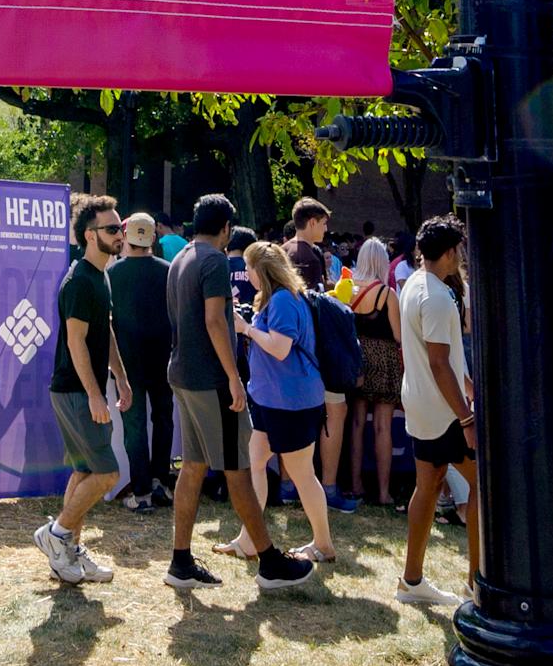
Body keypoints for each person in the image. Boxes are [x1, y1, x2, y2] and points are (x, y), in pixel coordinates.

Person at [162, 195, 312, 593]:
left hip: (183, 374)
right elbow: (214, 320)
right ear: (227, 228)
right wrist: (232, 376)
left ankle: (180, 561)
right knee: (239, 470)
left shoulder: (180, 260)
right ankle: (270, 560)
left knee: (193, 466)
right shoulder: (212, 261)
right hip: (210, 379)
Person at [35, 195, 125, 583]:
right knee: (106, 475)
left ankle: (67, 554)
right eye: (111, 229)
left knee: (84, 470)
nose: (120, 234)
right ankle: (56, 535)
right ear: (90, 235)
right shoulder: (79, 281)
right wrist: (93, 393)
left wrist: (120, 376)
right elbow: (75, 342)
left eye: (119, 228)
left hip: (80, 389)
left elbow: (104, 331)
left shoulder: (101, 275)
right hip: (74, 391)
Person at [397, 216, 477, 609]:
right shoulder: (439, 297)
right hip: (444, 413)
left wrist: (466, 387)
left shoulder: (412, 284)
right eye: (458, 250)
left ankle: (411, 579)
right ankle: (476, 584)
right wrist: (466, 417)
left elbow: (440, 359)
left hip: (420, 405)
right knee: (484, 486)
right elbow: (439, 362)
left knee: (426, 487)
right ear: (449, 253)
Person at [239, 239, 336, 564]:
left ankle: (323, 544)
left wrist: (246, 329)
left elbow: (280, 348)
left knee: (302, 474)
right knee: (255, 463)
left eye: (249, 267)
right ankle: (248, 539)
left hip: (290, 402)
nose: (246, 273)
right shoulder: (280, 297)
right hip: (273, 400)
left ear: (261, 270)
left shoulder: (282, 300)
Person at [109, 209, 174, 509]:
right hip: (163, 357)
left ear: (126, 237)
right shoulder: (167, 270)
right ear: (153, 238)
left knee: (133, 424)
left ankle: (142, 490)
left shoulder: (112, 274)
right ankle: (161, 479)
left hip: (126, 361)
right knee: (163, 417)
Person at [344, 236, 404, 508]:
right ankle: (383, 492)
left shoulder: (347, 289)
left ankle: (355, 486)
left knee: (356, 425)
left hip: (357, 359)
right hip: (385, 359)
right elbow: (399, 335)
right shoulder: (387, 294)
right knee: (383, 427)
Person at [285, 200, 332, 293]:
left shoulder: (281, 251)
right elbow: (315, 302)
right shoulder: (311, 259)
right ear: (313, 222)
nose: (326, 229)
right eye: (324, 223)